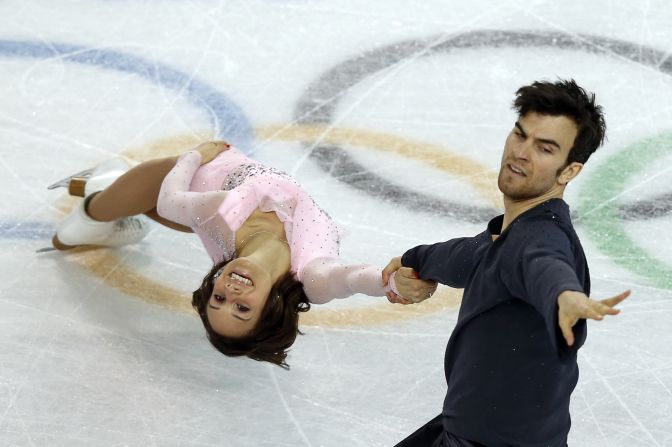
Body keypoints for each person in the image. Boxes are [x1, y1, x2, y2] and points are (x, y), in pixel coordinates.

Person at [382, 79, 630, 446]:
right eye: (520, 134)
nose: (521, 152)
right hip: (465, 432)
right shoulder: (510, 235)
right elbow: (469, 255)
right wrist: (415, 260)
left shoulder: (539, 239)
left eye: (545, 148)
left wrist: (563, 295)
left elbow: (544, 264)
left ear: (569, 171)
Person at [49, 141, 432, 368]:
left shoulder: (218, 216)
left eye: (218, 299)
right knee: (157, 202)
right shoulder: (312, 275)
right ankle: (102, 207)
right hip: (212, 195)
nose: (230, 294)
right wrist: (389, 284)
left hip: (204, 187)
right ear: (271, 307)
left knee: (158, 192)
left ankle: (94, 211)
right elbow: (352, 279)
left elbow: (169, 201)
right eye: (242, 309)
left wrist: (195, 157)